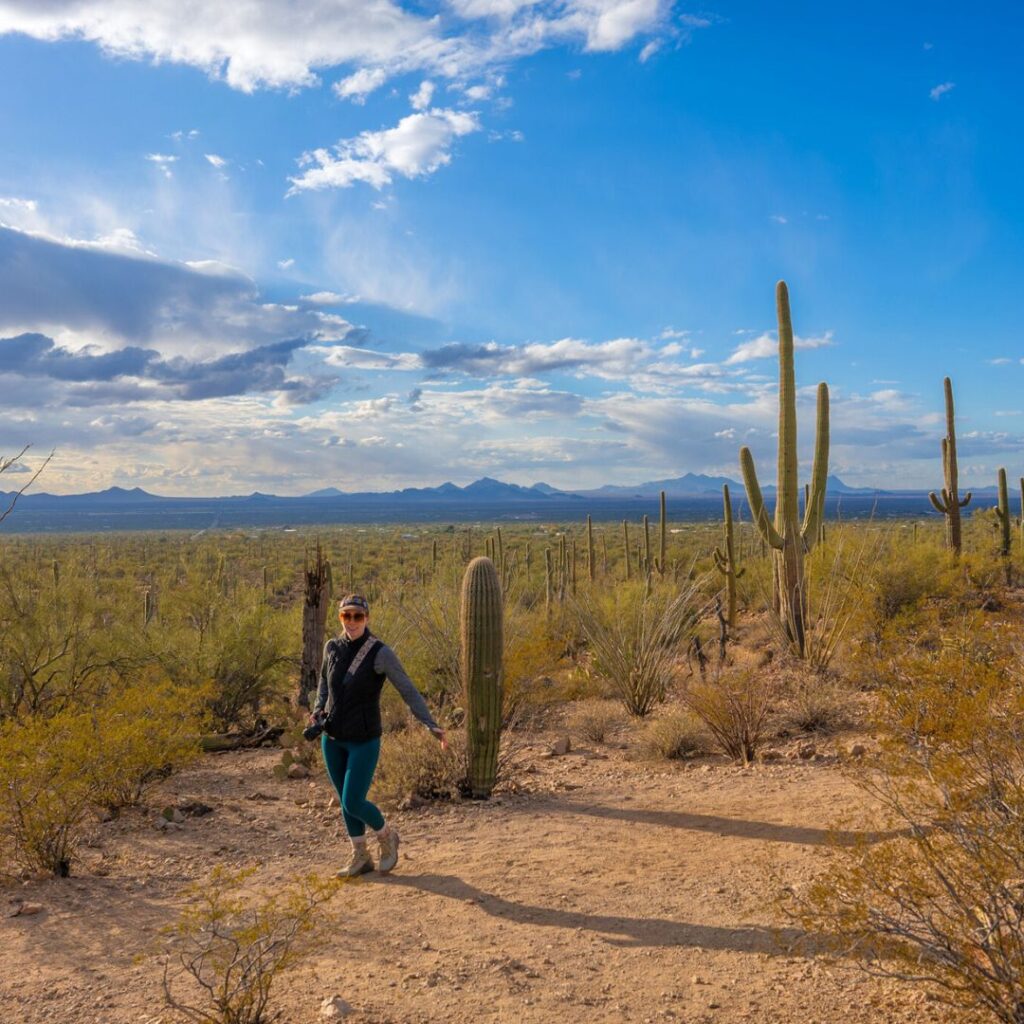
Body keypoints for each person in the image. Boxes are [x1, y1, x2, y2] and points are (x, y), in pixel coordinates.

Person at [311, 593, 446, 877]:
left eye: (357, 616)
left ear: (367, 618)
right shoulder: (331, 647)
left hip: (364, 739)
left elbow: (407, 689)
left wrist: (429, 723)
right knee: (344, 801)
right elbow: (324, 683)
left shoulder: (380, 652)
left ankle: (387, 836)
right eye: (346, 615)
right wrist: (317, 710)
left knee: (353, 800)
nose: (351, 621)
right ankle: (360, 856)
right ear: (340, 618)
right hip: (333, 738)